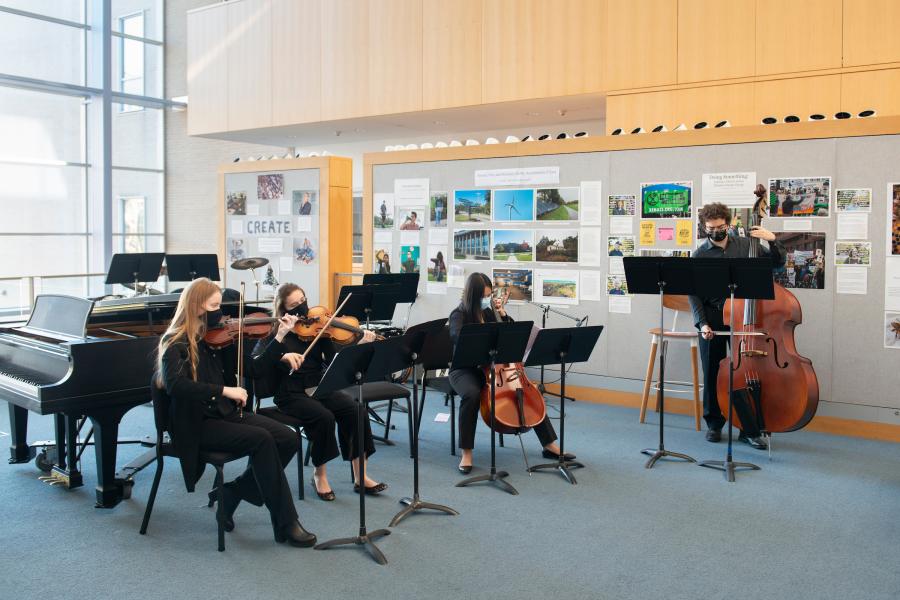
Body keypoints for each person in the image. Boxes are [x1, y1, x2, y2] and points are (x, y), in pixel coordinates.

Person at [155, 277, 315, 547]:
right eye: (215, 306)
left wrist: (279, 337)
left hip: (225, 414)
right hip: (197, 424)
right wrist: (224, 390)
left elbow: (253, 369)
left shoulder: (223, 338)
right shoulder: (176, 341)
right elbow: (176, 385)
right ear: (196, 307)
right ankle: (286, 522)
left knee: (288, 439)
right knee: (262, 440)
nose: (222, 314)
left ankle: (231, 493)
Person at [252, 283, 386, 501]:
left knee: (356, 410)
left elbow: (335, 359)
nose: (302, 307)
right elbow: (258, 361)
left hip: (319, 386)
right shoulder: (278, 332)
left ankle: (360, 475)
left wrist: (359, 342)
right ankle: (319, 475)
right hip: (290, 393)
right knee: (323, 417)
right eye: (295, 305)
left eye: (303, 300)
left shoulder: (319, 328)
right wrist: (280, 356)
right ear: (284, 309)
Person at [448, 272, 574, 473]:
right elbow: (458, 338)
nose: (487, 300)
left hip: (494, 369)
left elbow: (511, 335)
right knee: (471, 395)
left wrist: (503, 316)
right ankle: (467, 452)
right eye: (483, 296)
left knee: (527, 390)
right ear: (473, 296)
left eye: (489, 296)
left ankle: (549, 444)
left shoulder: (489, 313)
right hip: (465, 370)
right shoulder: (459, 314)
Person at [689, 201, 785, 450]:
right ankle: (714, 423)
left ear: (728, 224)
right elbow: (694, 293)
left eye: (720, 226)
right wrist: (702, 323)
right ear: (704, 227)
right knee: (711, 370)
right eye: (710, 228)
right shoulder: (699, 254)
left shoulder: (745, 245)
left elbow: (776, 264)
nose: (715, 231)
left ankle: (748, 427)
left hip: (745, 316)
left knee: (746, 372)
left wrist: (772, 240)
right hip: (713, 316)